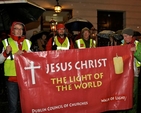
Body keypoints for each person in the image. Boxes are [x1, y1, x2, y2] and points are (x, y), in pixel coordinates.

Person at [0, 21, 32, 113]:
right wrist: (6, 53)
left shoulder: (28, 42)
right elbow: (0, 60)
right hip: (12, 78)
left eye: (21, 29)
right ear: (12, 31)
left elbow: (33, 58)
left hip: (26, 78)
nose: (19, 31)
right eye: (16, 29)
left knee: (26, 105)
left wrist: (26, 54)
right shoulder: (5, 42)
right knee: (13, 106)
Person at [117, 28, 141, 113]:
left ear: (131, 36)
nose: (124, 38)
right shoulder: (121, 46)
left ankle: (132, 111)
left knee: (133, 95)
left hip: (134, 74)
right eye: (123, 36)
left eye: (126, 36)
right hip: (123, 75)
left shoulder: (138, 45)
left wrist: (136, 51)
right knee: (123, 93)